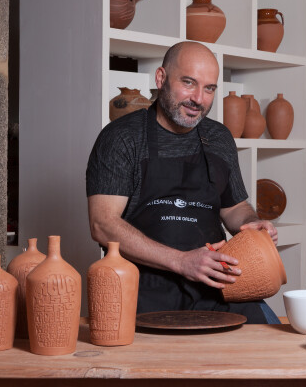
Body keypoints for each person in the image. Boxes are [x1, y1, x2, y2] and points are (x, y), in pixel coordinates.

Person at [86, 41, 279, 324]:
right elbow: (102, 224)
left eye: (209, 88)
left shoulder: (219, 138)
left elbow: (235, 208)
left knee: (272, 346)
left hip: (217, 287)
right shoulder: (122, 138)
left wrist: (252, 223)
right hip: (143, 291)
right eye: (189, 83)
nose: (198, 99)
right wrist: (181, 261)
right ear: (161, 78)